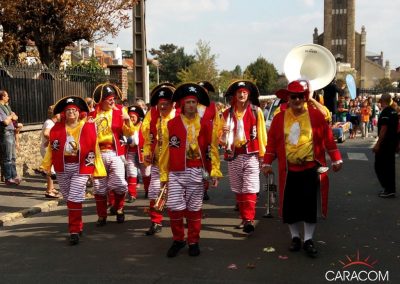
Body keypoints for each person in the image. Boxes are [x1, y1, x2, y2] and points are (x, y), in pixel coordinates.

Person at [262, 80, 343, 258]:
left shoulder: (316, 116)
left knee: (308, 206)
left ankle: (308, 239)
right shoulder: (278, 118)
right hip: (289, 170)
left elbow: (328, 139)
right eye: (294, 97)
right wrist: (267, 163)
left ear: (305, 98)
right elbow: (272, 145)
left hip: (310, 169)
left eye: (300, 96)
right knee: (290, 207)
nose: (297, 100)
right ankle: (295, 237)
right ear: (288, 98)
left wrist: (336, 159)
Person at [159, 82, 221, 257]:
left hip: (196, 170)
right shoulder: (171, 125)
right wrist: (164, 174)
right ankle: (178, 239)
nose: (191, 105)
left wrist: (214, 171)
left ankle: (193, 241)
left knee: (194, 208)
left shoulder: (206, 124)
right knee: (174, 207)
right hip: (176, 171)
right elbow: (164, 151)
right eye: (188, 102)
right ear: (182, 104)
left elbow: (213, 149)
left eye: (194, 102)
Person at [40, 96, 106, 245]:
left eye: (74, 110)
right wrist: (45, 166)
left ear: (79, 113)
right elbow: (51, 149)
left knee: (74, 197)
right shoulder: (56, 129)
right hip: (62, 166)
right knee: (69, 198)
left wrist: (97, 168)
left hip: (81, 166)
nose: (71, 112)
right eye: (68, 110)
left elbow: (95, 146)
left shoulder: (88, 126)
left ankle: (74, 230)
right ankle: (78, 225)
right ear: (64, 113)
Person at [220, 80, 267, 234]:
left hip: (251, 154)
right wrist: (224, 132)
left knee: (250, 186)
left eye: (244, 92)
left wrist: (263, 155)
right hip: (233, 155)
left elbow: (261, 134)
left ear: (248, 95)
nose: (241, 94)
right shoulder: (226, 114)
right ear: (235, 95)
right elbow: (219, 139)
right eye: (239, 92)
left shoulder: (256, 111)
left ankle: (249, 219)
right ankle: (244, 217)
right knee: (238, 188)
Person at [90, 83, 133, 226]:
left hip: (116, 152)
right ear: (101, 100)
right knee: (99, 187)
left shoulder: (120, 111)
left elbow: (129, 133)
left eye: (113, 98)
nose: (112, 101)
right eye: (109, 99)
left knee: (120, 183)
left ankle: (119, 208)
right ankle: (102, 216)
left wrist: (127, 120)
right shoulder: (93, 114)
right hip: (98, 155)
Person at [142, 83, 178, 236]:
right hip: (157, 161)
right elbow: (146, 135)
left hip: (175, 164)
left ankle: (179, 221)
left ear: (173, 104)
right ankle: (156, 221)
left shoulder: (179, 116)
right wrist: (147, 152)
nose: (163, 107)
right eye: (160, 104)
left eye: (166, 104)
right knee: (154, 191)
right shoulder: (152, 114)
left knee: (176, 194)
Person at [197, 80, 221, 201]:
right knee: (196, 164)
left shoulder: (212, 106)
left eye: (204, 92)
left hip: (207, 141)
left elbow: (217, 124)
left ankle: (205, 188)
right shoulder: (191, 104)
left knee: (206, 165)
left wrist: (217, 138)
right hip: (194, 140)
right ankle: (197, 188)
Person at [372, 93, 399, 198]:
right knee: (390, 167)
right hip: (392, 143)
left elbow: (383, 130)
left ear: (382, 101)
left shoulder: (386, 112)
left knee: (379, 166)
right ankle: (390, 189)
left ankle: (387, 188)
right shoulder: (394, 112)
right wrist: (397, 144)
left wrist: (378, 144)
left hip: (385, 144)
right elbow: (397, 130)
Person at [124, 105, 146, 202]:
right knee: (131, 173)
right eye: (130, 116)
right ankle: (132, 194)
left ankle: (148, 190)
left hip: (142, 153)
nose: (131, 118)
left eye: (133, 117)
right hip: (130, 153)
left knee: (146, 173)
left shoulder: (144, 125)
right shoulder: (126, 126)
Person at [0, 90, 21, 185]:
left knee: (13, 157)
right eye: (7, 96)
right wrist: (11, 116)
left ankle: (14, 176)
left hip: (11, 132)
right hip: (6, 133)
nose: (8, 98)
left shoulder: (6, 107)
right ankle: (8, 178)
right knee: (7, 157)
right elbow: (5, 122)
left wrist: (11, 116)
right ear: (2, 97)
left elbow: (16, 117)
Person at [40, 104, 60, 198]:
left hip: (49, 148)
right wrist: (50, 140)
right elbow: (46, 133)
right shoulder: (49, 123)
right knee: (50, 170)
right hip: (46, 149)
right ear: (56, 114)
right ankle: (49, 191)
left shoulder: (52, 122)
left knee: (51, 169)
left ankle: (51, 188)